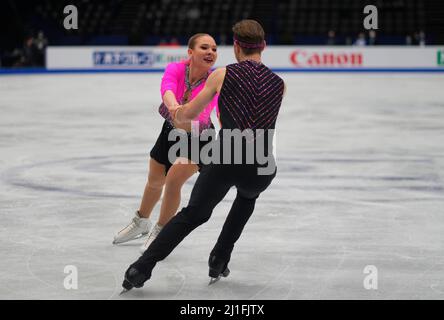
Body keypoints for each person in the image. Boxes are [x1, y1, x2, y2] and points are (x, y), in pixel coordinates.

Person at [120, 19, 285, 292]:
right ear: (263, 46)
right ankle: (219, 259)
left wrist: (175, 112)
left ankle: (141, 268)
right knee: (247, 198)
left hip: (227, 157)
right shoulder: (280, 84)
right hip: (263, 164)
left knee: (193, 214)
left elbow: (192, 113)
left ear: (236, 47)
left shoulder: (222, 75)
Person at [113, 33, 218, 254]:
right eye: (205, 47)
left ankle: (161, 232)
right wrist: (174, 108)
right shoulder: (176, 68)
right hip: (170, 129)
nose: (210, 52)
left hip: (199, 137)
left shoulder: (215, 79)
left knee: (172, 181)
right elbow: (167, 88)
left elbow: (205, 113)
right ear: (190, 52)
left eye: (214, 49)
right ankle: (141, 222)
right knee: (154, 180)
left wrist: (182, 116)